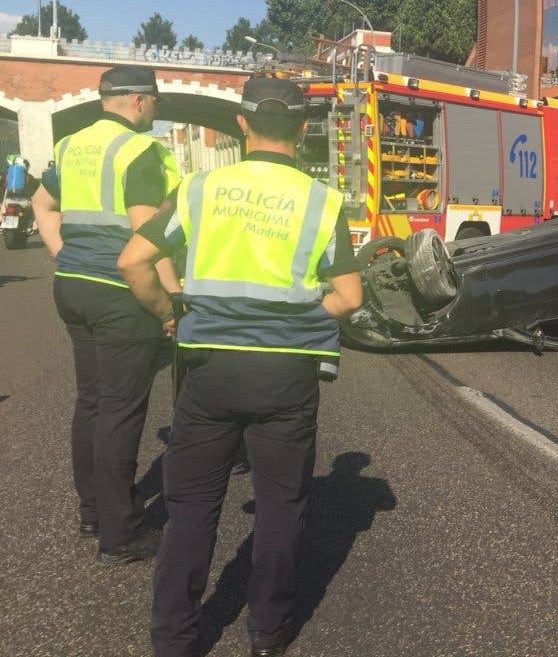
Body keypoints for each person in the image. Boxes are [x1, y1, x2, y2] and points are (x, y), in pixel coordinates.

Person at [118, 77, 362, 657]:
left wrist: (168, 315)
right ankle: (268, 633)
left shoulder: (200, 189)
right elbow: (349, 298)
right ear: (304, 130)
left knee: (192, 508)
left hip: (207, 372)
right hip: (286, 377)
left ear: (243, 125)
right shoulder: (322, 201)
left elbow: (134, 261)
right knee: (281, 509)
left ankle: (174, 637)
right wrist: (297, 324)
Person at [31, 65, 180, 564]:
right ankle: (121, 533)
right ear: (139, 101)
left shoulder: (73, 145)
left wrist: (62, 253)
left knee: (91, 401)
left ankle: (92, 509)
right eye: (155, 104)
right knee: (121, 409)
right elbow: (146, 234)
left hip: (72, 286)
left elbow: (41, 204)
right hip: (118, 292)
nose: (155, 113)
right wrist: (170, 299)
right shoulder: (139, 150)